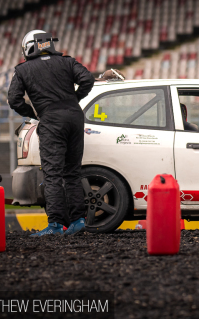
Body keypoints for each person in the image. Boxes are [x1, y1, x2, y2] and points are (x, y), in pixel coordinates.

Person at [8, 29, 120, 237]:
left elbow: (14, 99)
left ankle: (56, 224)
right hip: (75, 118)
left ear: (29, 47)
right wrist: (74, 100)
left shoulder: (23, 70)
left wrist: (34, 113)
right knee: (72, 173)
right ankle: (78, 220)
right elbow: (87, 79)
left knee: (52, 175)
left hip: (51, 120)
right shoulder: (67, 62)